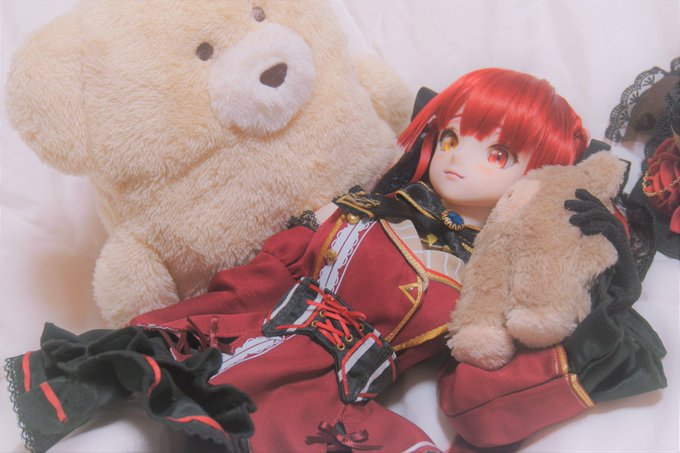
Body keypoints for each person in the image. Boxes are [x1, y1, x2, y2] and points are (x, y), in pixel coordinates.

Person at [5, 68, 665, 453]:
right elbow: (275, 268)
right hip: (250, 327)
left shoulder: (484, 278)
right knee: (126, 364)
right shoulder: (370, 205)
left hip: (328, 391)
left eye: (498, 153)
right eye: (453, 136)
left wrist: (604, 310)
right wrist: (201, 314)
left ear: (538, 174)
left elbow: (473, 399)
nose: (460, 159)